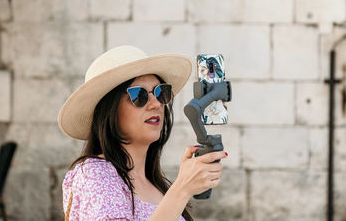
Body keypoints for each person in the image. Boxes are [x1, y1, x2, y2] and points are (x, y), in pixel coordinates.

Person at [58, 45, 228, 221]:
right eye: (139, 95)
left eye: (160, 92)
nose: (155, 104)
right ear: (109, 111)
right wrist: (182, 188)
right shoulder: (94, 174)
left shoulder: (158, 186)